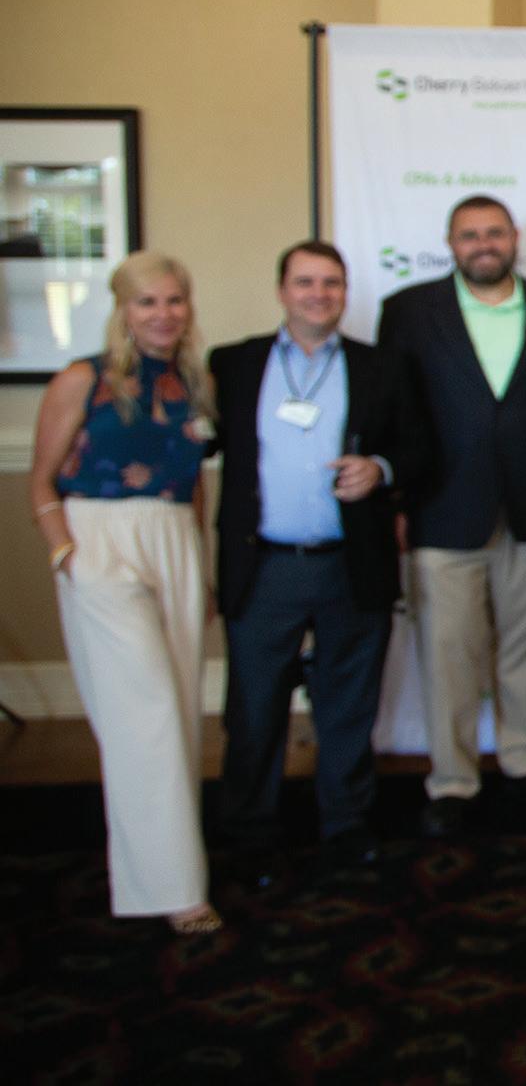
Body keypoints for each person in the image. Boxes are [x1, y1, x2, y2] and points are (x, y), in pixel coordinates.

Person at [210, 241, 423, 868]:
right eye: (305, 282)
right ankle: (249, 828)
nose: (318, 294)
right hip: (263, 563)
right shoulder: (233, 364)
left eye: (331, 283)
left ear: (345, 292)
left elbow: (419, 450)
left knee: (348, 704)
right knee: (254, 707)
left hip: (349, 562)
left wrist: (380, 468)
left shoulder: (382, 366)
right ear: (282, 290)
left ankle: (346, 824)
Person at [377, 196, 526, 837]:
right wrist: (396, 505)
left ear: (515, 238)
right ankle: (453, 780)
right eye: (469, 235)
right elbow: (393, 412)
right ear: (450, 243)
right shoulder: (408, 310)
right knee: (449, 658)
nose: (483, 244)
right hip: (441, 510)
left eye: (494, 233)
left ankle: (525, 763)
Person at [27, 251, 219, 933]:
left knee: (181, 708)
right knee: (147, 716)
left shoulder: (195, 381)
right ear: (123, 310)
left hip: (175, 541)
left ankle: (167, 864)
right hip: (100, 540)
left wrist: (202, 565)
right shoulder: (82, 379)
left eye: (173, 300)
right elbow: (41, 478)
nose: (163, 314)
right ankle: (174, 890)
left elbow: (192, 481)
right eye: (147, 302)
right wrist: (66, 556)